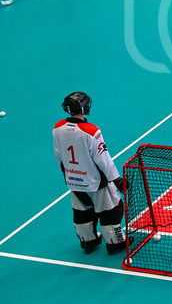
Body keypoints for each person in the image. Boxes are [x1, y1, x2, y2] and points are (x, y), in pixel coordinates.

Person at [52, 92, 127, 254]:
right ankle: (115, 242)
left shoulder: (57, 128)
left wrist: (67, 175)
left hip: (73, 181)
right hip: (95, 182)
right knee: (110, 211)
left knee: (82, 212)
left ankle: (88, 241)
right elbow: (103, 159)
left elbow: (59, 156)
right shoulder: (91, 131)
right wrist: (117, 180)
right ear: (84, 108)